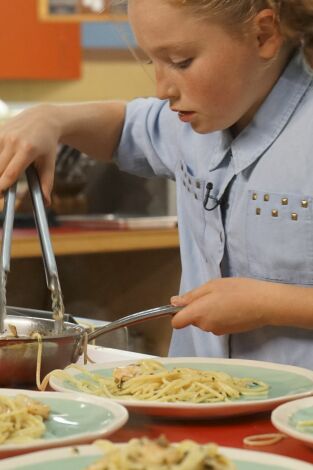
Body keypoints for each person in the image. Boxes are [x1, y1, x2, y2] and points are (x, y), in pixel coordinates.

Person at [0, 0, 313, 368]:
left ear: (263, 35)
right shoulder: (194, 123)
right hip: (201, 395)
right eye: (153, 62)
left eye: (181, 61)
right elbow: (125, 125)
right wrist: (51, 118)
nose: (162, 88)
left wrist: (268, 303)